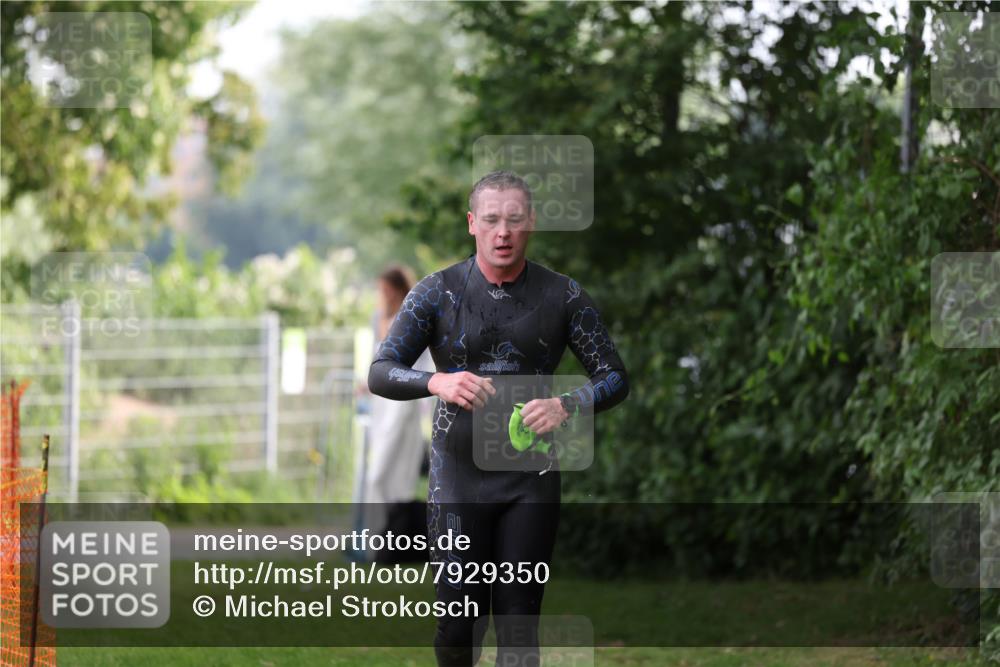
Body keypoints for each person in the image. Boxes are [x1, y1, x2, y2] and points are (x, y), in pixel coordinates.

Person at [368, 170, 629, 666]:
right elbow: (381, 372)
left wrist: (566, 404)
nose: (502, 232)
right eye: (490, 220)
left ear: (530, 222)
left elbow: (614, 377)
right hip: (457, 480)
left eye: (513, 220)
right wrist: (436, 382)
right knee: (458, 624)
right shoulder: (436, 292)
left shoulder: (563, 295)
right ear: (472, 223)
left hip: (530, 482)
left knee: (518, 622)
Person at [357, 266, 432, 558]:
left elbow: (423, 365)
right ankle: (376, 544)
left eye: (389, 289)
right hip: (380, 406)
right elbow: (376, 363)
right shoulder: (377, 318)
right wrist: (366, 384)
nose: (384, 296)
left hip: (403, 408)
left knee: (388, 475)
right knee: (377, 475)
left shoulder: (413, 318)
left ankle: (389, 543)